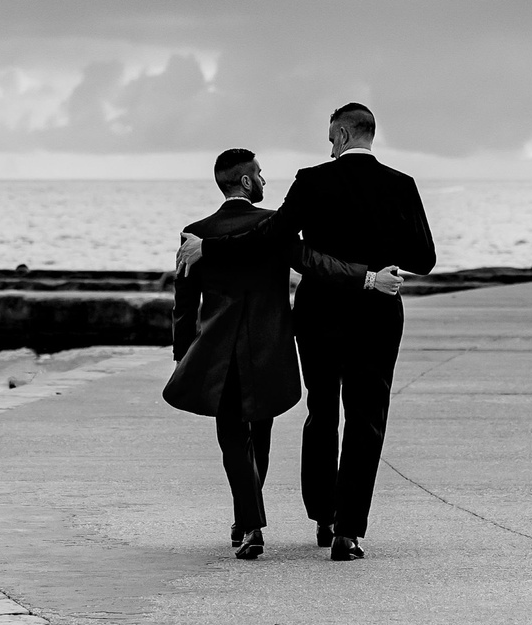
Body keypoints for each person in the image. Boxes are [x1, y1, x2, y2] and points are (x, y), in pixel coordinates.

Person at [177, 102, 430, 561]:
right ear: (369, 135)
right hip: (378, 313)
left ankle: (324, 514)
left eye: (329, 135)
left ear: (339, 134)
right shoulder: (402, 185)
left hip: (320, 314)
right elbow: (425, 258)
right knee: (367, 420)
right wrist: (381, 267)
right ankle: (347, 534)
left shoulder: (312, 180)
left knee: (322, 413)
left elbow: (273, 235)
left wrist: (208, 247)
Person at [164, 149, 371, 560]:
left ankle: (250, 525)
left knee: (232, 440)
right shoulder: (272, 225)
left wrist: (184, 353)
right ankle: (248, 520)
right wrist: (366, 278)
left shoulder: (195, 232)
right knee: (259, 434)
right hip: (268, 352)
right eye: (259, 173)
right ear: (244, 182)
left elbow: (184, 303)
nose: (263, 179)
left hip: (217, 356)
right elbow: (313, 263)